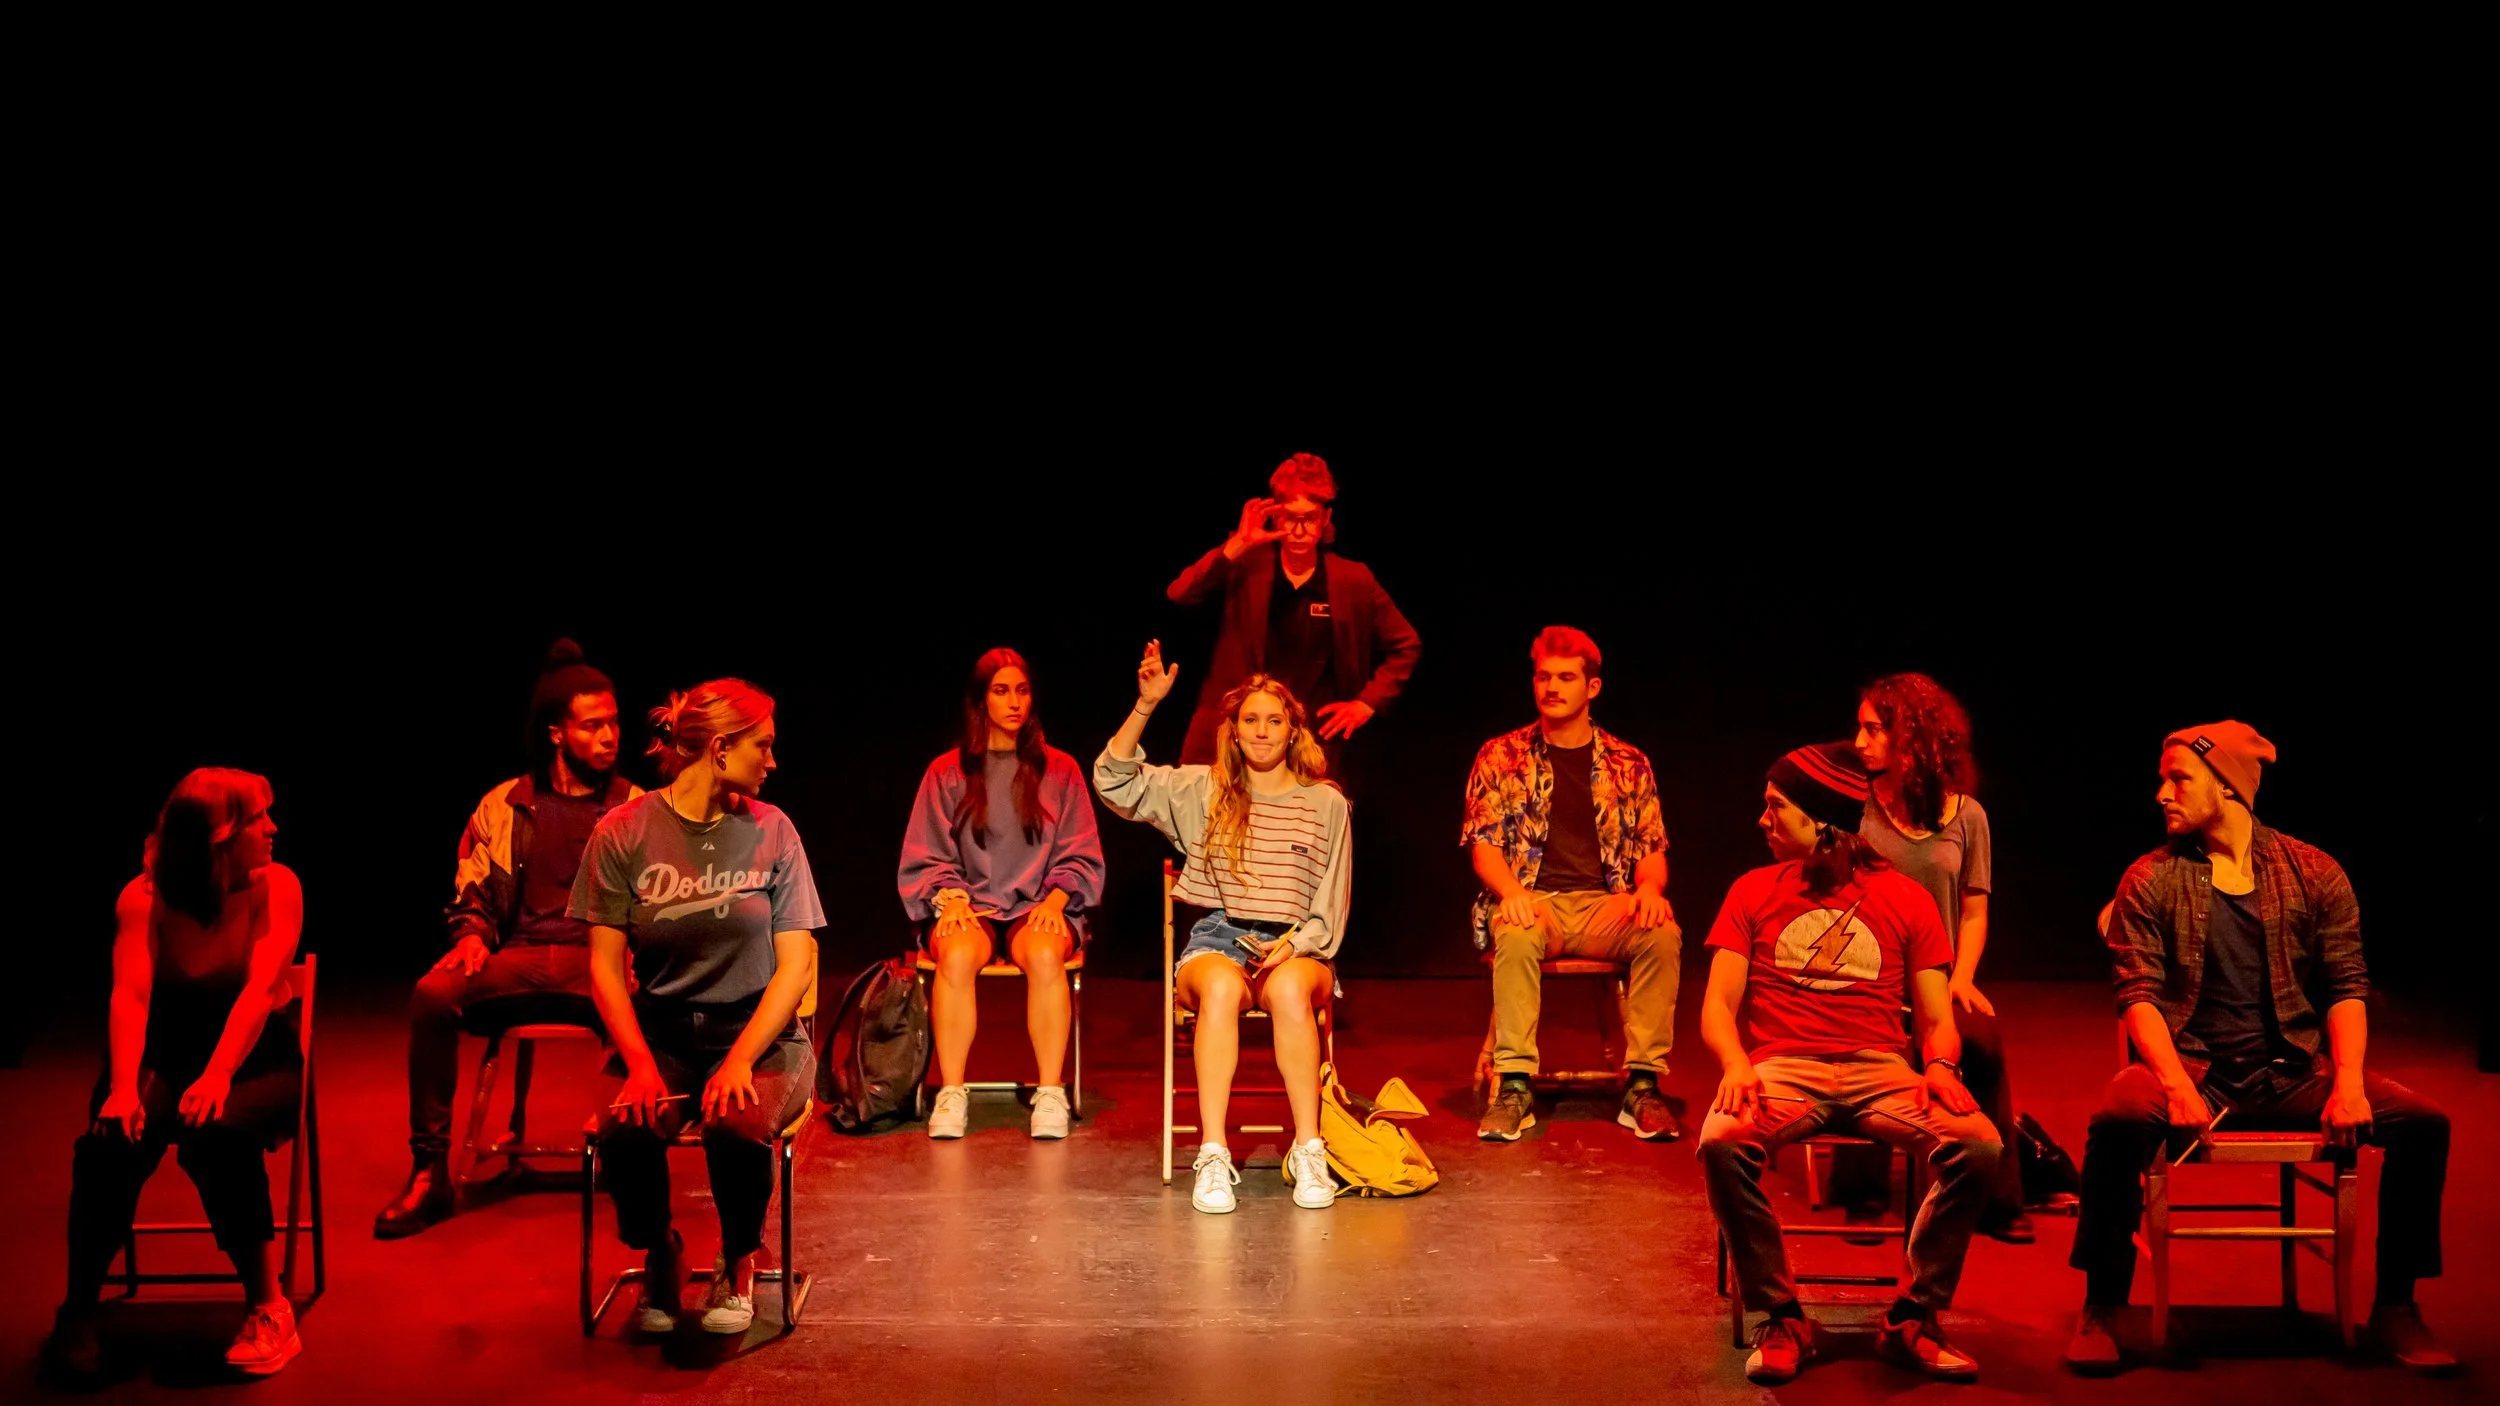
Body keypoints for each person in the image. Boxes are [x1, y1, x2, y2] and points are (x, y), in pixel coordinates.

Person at [2064, 723, 2454, 1376]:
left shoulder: (2313, 871)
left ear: (2228, 786)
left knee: (2424, 1123)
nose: (2162, 793)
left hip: (2290, 1072)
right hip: (2193, 1068)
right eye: (2163, 779)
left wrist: (2348, 1083)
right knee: (2118, 1118)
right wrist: (2175, 1084)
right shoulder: (2151, 877)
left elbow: (2346, 985)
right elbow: (2137, 994)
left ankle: (2396, 1307)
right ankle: (2102, 1304)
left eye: (2179, 778)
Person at [1696, 743, 1999, 1386]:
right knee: (1720, 1141)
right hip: (1784, 1069)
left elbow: (1936, 1019)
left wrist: (1940, 1066)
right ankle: (1783, 1316)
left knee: (1978, 1144)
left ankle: (1913, 1316)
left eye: (1776, 807)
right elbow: (1718, 1006)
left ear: (1820, 821)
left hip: (1879, 1070)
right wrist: (1734, 1062)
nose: (1762, 819)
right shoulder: (1752, 891)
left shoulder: (1906, 899)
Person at [574, 680, 822, 1338]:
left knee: (735, 1124)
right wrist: (638, 1065)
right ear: (720, 749)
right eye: (763, 746)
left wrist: (740, 1058)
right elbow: (603, 967)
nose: (773, 761)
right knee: (625, 1129)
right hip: (662, 1035)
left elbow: (795, 966)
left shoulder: (773, 830)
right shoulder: (623, 832)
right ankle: (662, 1252)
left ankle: (739, 1259)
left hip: (760, 1035)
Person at [47, 770, 307, 1382]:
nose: (273, 828)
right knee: (111, 1140)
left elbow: (260, 989)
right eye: (258, 818)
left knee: (216, 1134)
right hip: (166, 1045)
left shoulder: (278, 886)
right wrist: (121, 1090)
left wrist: (218, 1074)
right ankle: (78, 1310)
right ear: (220, 835)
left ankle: (270, 1308)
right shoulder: (144, 896)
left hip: (253, 1049)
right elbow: (131, 996)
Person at [377, 640, 640, 1237]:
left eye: (614, 723)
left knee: (654, 1000)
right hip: (519, 958)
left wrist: (635, 951)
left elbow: (658, 899)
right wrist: (472, 934)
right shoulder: (504, 805)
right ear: (556, 734)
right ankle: (429, 1173)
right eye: (592, 726)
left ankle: (631, 1166)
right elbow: (471, 886)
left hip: (596, 965)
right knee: (432, 994)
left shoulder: (635, 808)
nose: (609, 737)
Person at [1096, 641, 1348, 1215]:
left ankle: (1310, 1149)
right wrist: (1145, 705)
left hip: (1297, 943)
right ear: (1233, 731)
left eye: (1274, 720)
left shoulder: (1326, 804)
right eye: (1250, 720)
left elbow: (1331, 906)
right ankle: (1213, 1153)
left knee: (1289, 990)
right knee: (1219, 988)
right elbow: (1114, 781)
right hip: (1219, 937)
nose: (1262, 731)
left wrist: (1296, 945)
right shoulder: (1204, 791)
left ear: (1293, 730)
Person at [1826, 673, 2030, 1243]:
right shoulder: (1854, 809)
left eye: (1874, 729)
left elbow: (1973, 911)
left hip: (1937, 977)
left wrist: (1962, 976)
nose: (1860, 742)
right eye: (1860, 728)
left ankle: (1997, 1196)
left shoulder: (1968, 817)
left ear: (1912, 738)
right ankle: (1863, 1191)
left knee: (1981, 1043)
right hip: (1867, 976)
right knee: (1873, 1048)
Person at [1463, 626, 1680, 1143]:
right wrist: (1512, 892)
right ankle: (1515, 1085)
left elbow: (1651, 850)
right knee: (1515, 932)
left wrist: (1650, 891)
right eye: (1543, 677)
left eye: (1565, 678)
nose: (1551, 687)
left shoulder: (1629, 763)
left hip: (1606, 905)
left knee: (1661, 934)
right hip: (1535, 902)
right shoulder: (1501, 755)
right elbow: (1484, 846)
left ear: (1592, 687)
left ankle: (1643, 1084)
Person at [898, 648, 1106, 1140]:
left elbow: (1080, 850)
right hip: (969, 904)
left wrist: (1057, 899)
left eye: (1022, 691)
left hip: (1039, 904)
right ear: (980, 700)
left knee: (1045, 952)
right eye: (1001, 691)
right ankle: (952, 1091)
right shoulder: (947, 771)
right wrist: (949, 897)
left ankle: (1050, 1091)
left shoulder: (1060, 770)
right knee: (955, 953)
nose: (1014, 702)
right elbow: (928, 851)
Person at [1165, 453, 1422, 779]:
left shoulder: (1352, 580)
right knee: (1204, 808)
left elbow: (1406, 644)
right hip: (1237, 733)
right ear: (1275, 517)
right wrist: (1239, 543)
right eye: (1289, 518)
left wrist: (1367, 703)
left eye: (1310, 518)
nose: (1299, 530)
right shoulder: (1249, 564)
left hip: (1308, 742)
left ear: (1326, 518)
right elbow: (1180, 593)